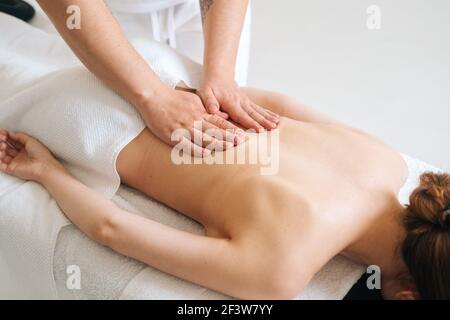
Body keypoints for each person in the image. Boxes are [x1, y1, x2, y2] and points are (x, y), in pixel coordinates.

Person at [1, 86, 448, 299]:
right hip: (89, 129)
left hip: (156, 78)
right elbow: (111, 228)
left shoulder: (386, 160)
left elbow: (276, 102)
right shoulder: (281, 271)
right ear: (407, 295)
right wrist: (44, 170)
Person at [36, 0, 278, 155]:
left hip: (200, 10)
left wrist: (221, 74)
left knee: (215, 118)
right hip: (98, 13)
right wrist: (153, 97)